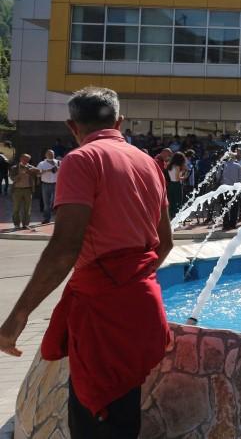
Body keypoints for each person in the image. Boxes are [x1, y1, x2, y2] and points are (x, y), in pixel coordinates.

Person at [0, 87, 172, 438]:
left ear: (71, 125)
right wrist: (128, 281)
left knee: (98, 419)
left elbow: (65, 247)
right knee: (123, 416)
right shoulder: (148, 163)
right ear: (120, 121)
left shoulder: (82, 160)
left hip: (102, 314)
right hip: (143, 305)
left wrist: (19, 315)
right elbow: (165, 244)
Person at [9, 154, 41, 230]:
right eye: (24, 159)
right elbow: (12, 178)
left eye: (28, 159)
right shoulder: (14, 168)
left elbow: (39, 173)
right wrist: (20, 175)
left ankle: (25, 224)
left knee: (27, 208)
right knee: (16, 208)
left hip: (28, 190)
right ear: (20, 158)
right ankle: (16, 224)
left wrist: (36, 171)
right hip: (17, 190)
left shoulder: (31, 168)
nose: (26, 161)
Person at [218, 147, 241, 231]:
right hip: (234, 189)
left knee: (224, 206)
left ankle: (225, 224)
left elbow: (218, 176)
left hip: (224, 188)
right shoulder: (238, 166)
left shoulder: (222, 165)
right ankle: (233, 223)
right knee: (234, 207)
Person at [36, 150, 61, 224]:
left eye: (52, 154)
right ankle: (46, 218)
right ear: (46, 155)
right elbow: (38, 174)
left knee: (56, 202)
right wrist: (48, 170)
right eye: (49, 154)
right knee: (46, 203)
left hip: (56, 184)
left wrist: (59, 169)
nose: (51, 155)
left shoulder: (58, 162)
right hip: (45, 184)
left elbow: (64, 172)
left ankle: (57, 218)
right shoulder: (42, 163)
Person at [165, 152, 188, 219]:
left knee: (172, 201)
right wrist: (185, 176)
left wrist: (183, 171)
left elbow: (173, 176)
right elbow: (178, 178)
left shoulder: (169, 165)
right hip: (177, 185)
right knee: (178, 201)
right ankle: (177, 217)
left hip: (171, 184)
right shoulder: (177, 166)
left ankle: (171, 216)